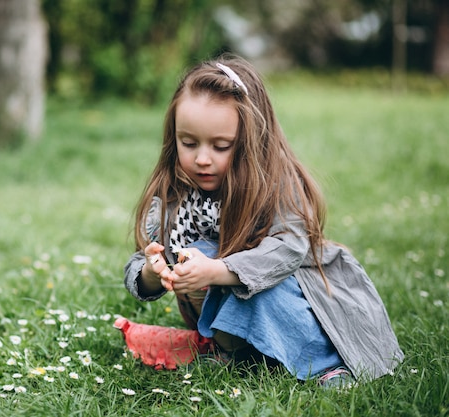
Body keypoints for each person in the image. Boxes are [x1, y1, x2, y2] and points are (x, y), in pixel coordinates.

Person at [123, 54, 403, 387]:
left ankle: (324, 363)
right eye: (188, 143)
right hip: (237, 306)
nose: (201, 158)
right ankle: (236, 352)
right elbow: (142, 260)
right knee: (199, 249)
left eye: (221, 146)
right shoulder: (176, 190)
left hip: (299, 294)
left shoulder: (274, 179)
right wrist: (153, 273)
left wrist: (216, 270)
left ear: (251, 140)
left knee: (245, 277)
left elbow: (288, 250)